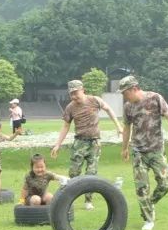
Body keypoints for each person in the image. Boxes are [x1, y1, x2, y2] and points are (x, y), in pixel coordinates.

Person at [51, 79, 123, 211]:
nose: (74, 96)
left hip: (95, 143)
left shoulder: (94, 100)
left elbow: (109, 110)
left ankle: (88, 201)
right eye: (71, 94)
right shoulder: (70, 107)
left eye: (76, 93)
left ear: (82, 90)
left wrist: (118, 126)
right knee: (74, 173)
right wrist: (57, 144)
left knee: (91, 173)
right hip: (79, 142)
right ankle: (69, 200)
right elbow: (66, 126)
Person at [119, 75, 168, 230]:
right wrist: (124, 148)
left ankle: (150, 203)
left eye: (125, 93)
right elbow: (126, 128)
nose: (124, 96)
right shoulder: (128, 107)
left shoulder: (155, 98)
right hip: (138, 151)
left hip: (156, 150)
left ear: (134, 89)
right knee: (141, 188)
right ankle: (148, 219)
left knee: (165, 184)